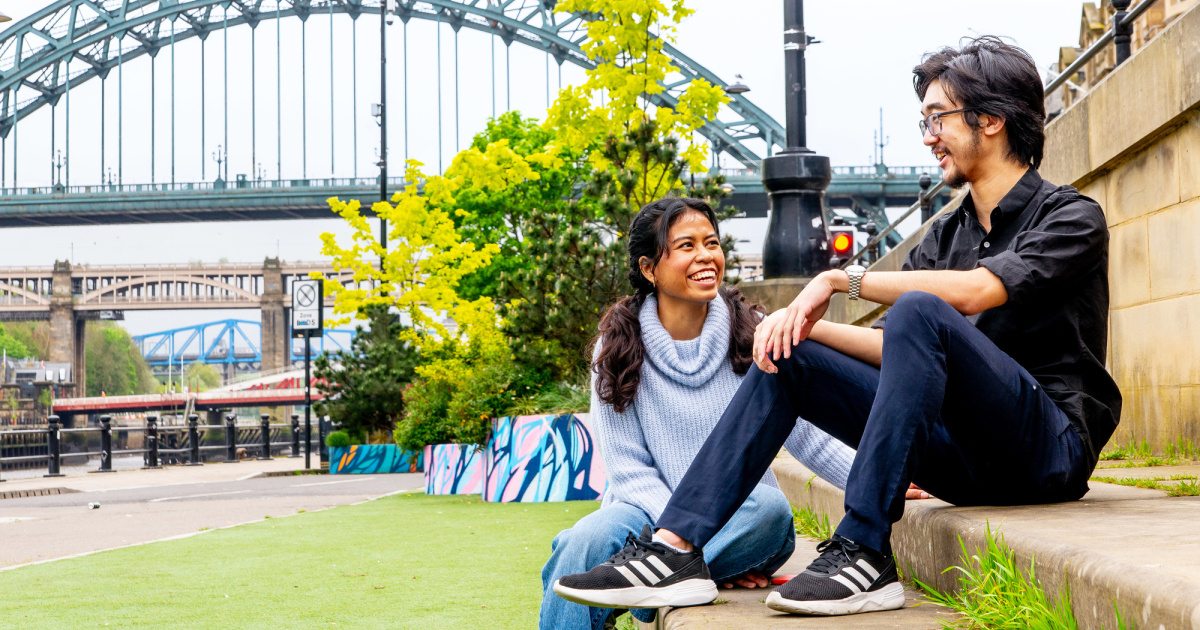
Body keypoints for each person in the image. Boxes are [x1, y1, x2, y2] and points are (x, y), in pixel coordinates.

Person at [553, 36, 1120, 617]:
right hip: (965, 460)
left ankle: (865, 552)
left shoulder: (1072, 217)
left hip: (1046, 453)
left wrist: (836, 281)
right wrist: (796, 326)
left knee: (922, 308)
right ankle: (674, 550)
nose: (928, 137)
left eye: (937, 119)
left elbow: (978, 290)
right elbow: (898, 348)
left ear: (992, 119)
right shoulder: (946, 237)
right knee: (790, 354)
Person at [541, 196, 859, 629]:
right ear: (649, 268)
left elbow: (807, 434)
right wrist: (676, 538)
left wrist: (878, 474)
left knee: (768, 508)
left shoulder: (756, 331)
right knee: (586, 540)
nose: (706, 255)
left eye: (711, 242)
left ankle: (647, 588)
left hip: (739, 516)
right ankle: (671, 574)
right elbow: (629, 473)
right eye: (686, 246)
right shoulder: (616, 348)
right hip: (643, 513)